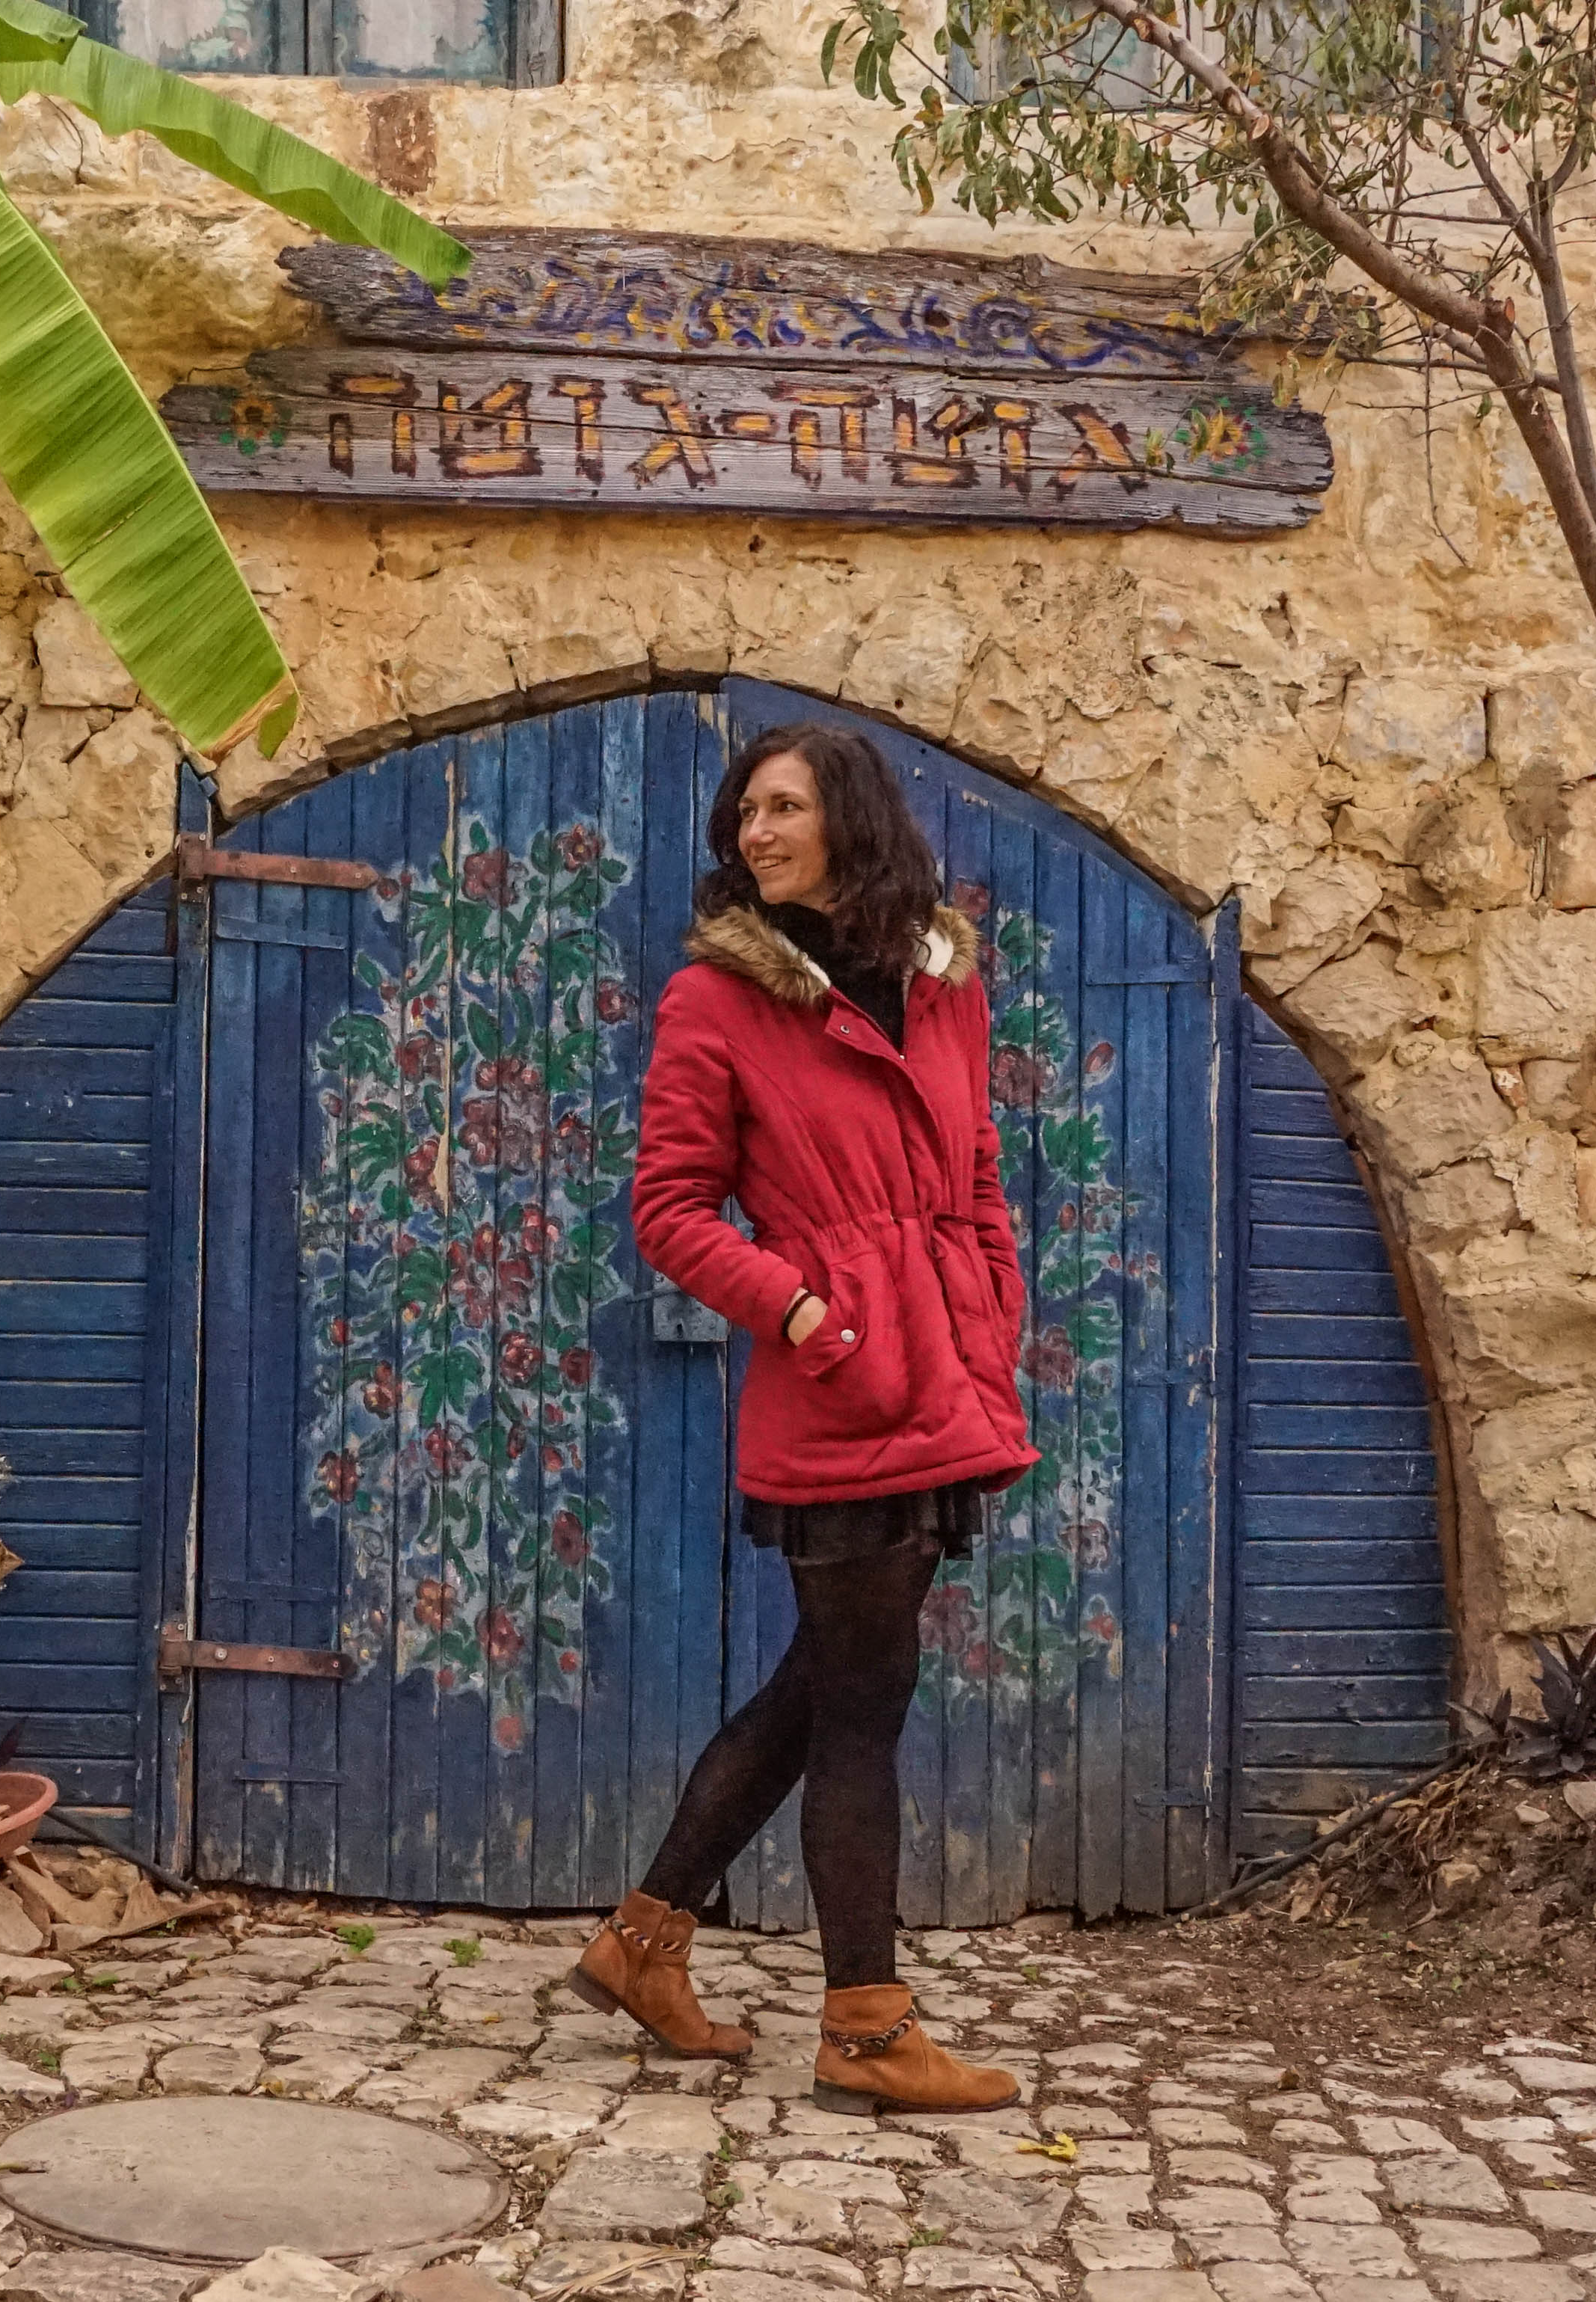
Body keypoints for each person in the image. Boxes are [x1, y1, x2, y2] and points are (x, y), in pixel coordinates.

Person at [567, 721, 1039, 2114]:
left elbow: (976, 1165)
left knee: (823, 1686)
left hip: (944, 1368)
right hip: (840, 1387)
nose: (754, 834)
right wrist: (801, 1311)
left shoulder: (944, 980)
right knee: (861, 1705)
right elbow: (668, 1209)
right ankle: (868, 2031)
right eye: (745, 814)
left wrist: (992, 1300)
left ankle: (644, 1942)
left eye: (782, 808)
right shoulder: (717, 999)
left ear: (853, 819)